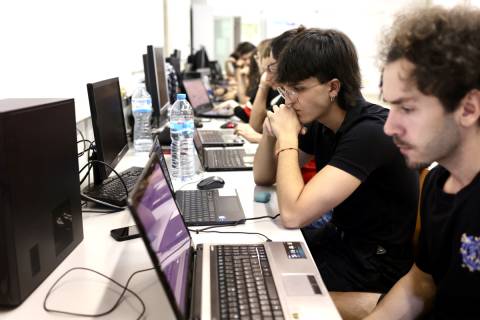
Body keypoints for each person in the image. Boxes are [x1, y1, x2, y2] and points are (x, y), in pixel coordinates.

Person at [253, 28, 419, 318]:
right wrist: (271, 132)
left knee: (264, 293)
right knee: (258, 264)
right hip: (340, 241)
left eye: (298, 89)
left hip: (373, 264)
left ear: (332, 87)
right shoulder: (321, 121)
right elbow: (263, 177)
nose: (289, 100)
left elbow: (293, 213)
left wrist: (289, 138)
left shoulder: (369, 132)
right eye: (284, 90)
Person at [366, 6, 480, 320]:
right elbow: (422, 281)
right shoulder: (437, 181)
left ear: (468, 108)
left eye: (407, 108)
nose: (389, 127)